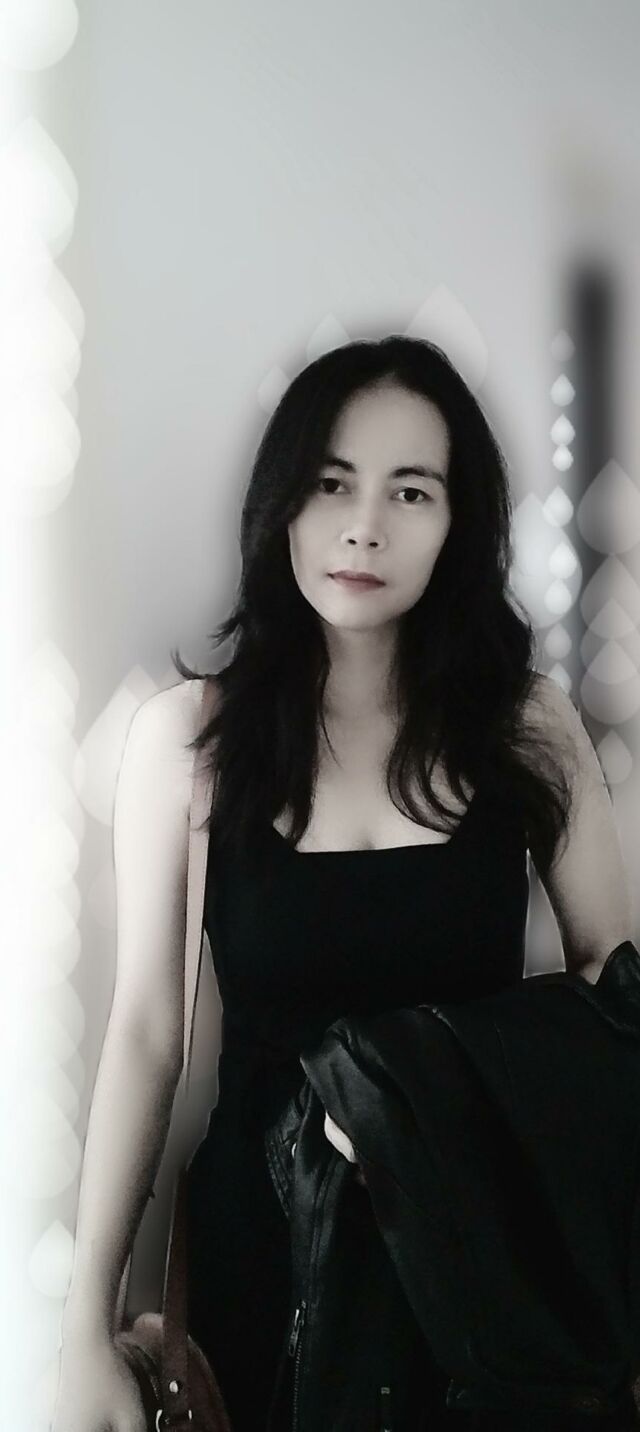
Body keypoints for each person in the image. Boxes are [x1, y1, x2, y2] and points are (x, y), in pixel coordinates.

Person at [53, 336, 634, 1432]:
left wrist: (419, 1090)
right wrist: (84, 1326)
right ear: (281, 503)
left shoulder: (527, 726)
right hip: (264, 1261)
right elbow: (148, 1036)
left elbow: (617, 994)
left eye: (410, 491)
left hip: (477, 1263)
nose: (364, 525)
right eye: (331, 483)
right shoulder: (189, 740)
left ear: (459, 523)